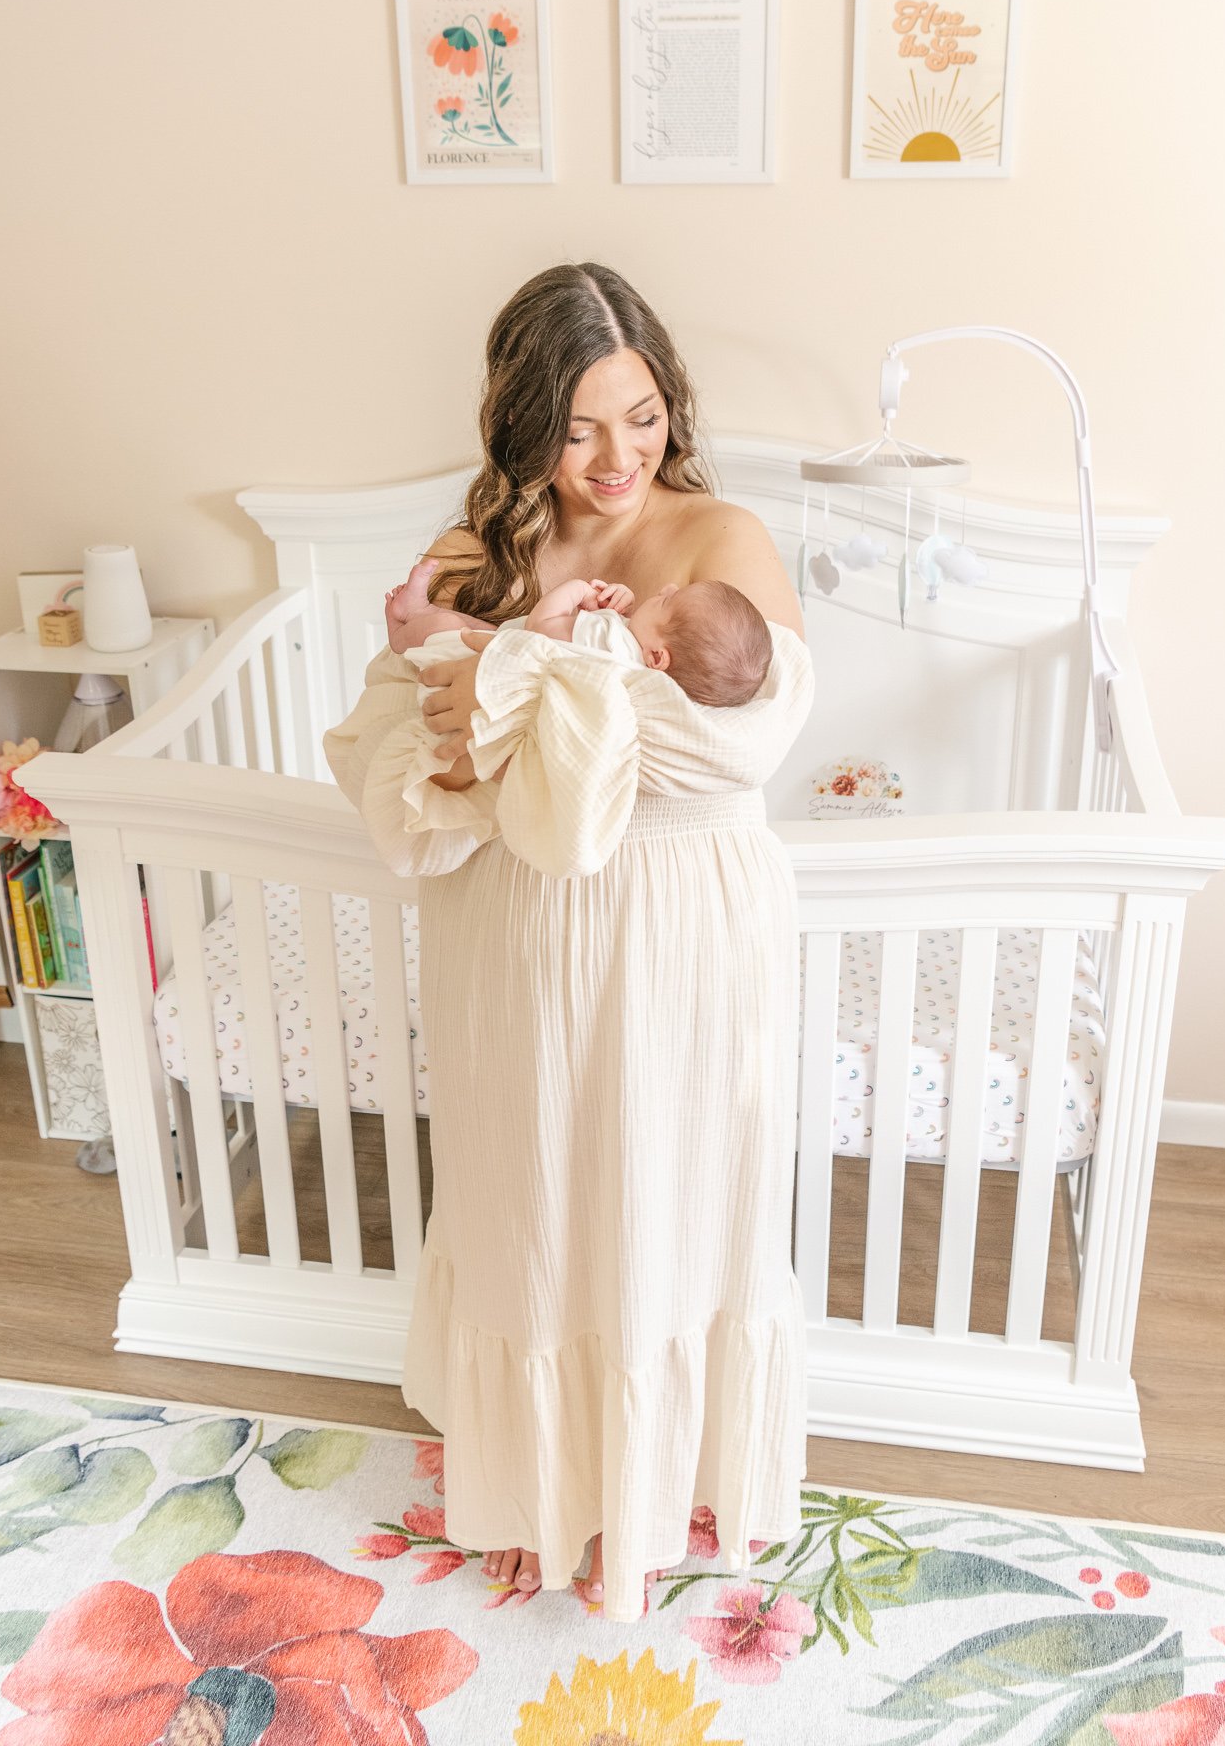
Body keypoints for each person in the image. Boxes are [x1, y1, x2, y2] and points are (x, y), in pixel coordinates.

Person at [322, 260, 815, 1623]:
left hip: (678, 931)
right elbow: (395, 734)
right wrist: (500, 698)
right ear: (526, 418)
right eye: (582, 424)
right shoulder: (490, 547)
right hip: (515, 929)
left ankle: (660, 1490)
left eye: (643, 416)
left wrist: (495, 697)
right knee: (531, 1199)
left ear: (673, 407)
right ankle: (538, 1485)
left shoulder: (725, 541)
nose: (616, 458)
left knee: (666, 1195)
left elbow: (728, 750)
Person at [384, 552, 775, 708]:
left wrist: (577, 591)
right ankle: (417, 612)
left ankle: (402, 632)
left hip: (492, 654)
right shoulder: (631, 658)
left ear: (658, 657)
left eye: (668, 602)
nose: (668, 588)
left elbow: (544, 626)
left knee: (447, 626)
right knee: (472, 626)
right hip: (503, 639)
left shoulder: (614, 642)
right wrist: (616, 607)